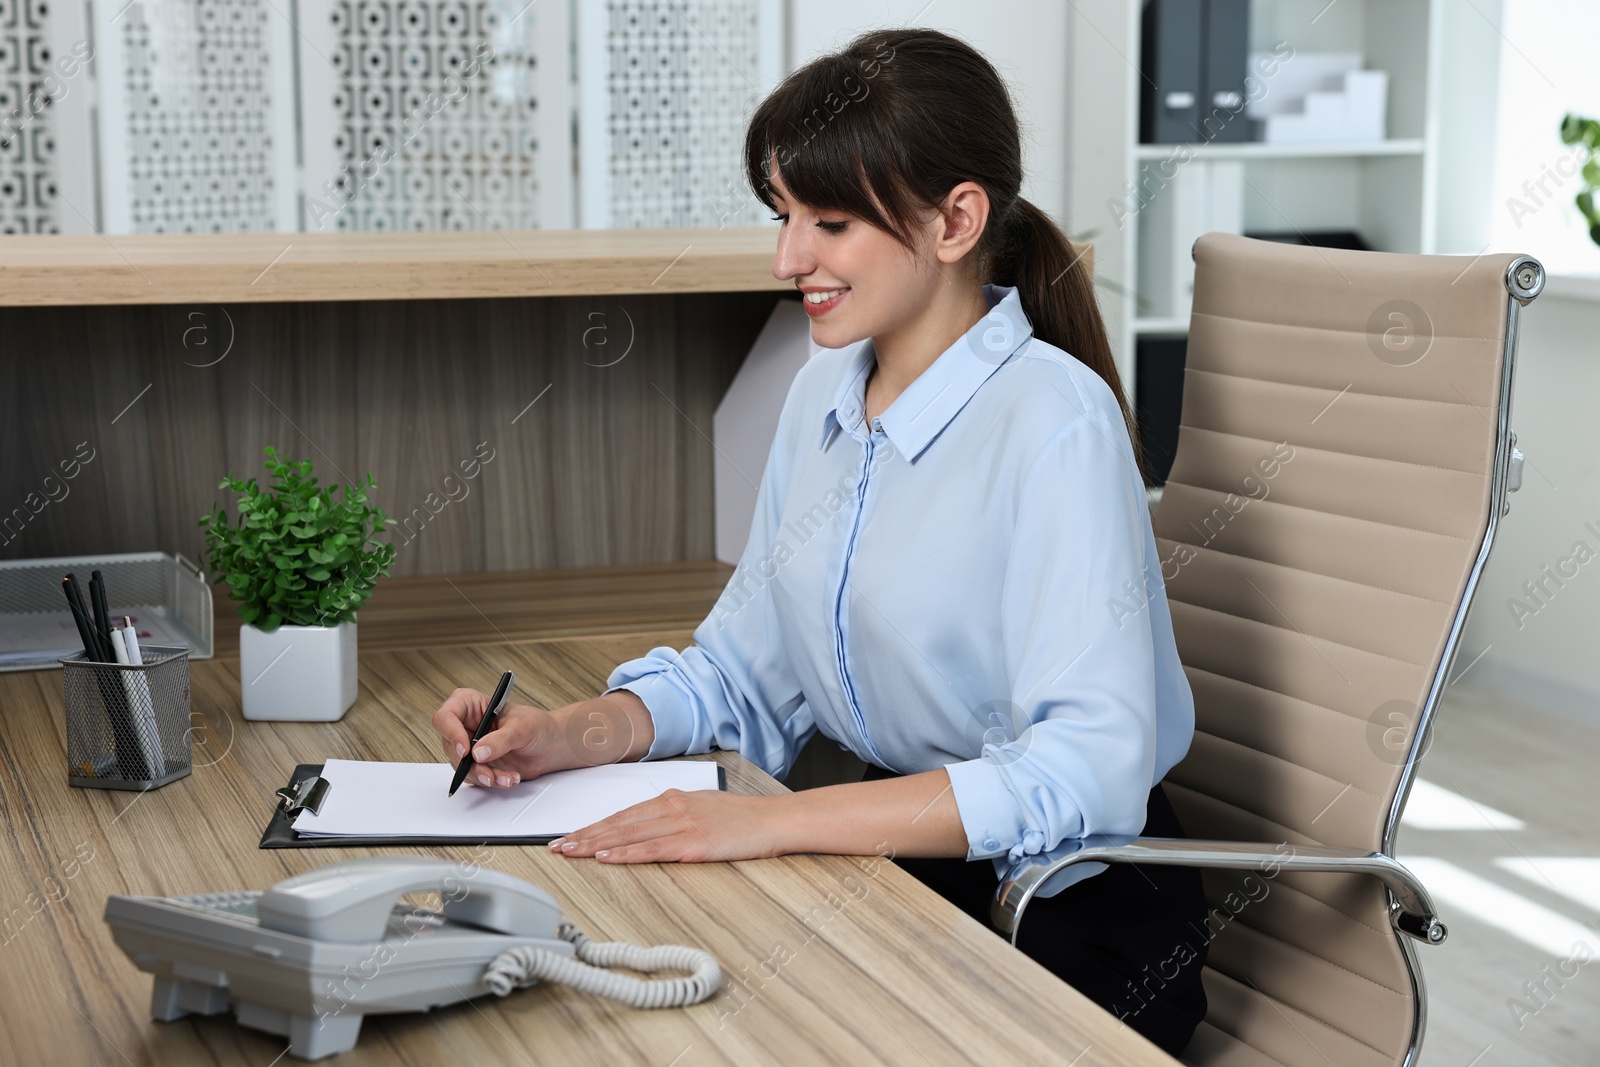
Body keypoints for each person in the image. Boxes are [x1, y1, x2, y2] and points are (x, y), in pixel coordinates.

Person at [432, 27, 1208, 1055]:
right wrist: (565, 734)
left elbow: (1081, 772)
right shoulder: (822, 395)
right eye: (784, 216)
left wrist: (773, 820)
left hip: (1066, 905)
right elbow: (742, 678)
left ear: (955, 219)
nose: (787, 258)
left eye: (829, 222)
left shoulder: (1052, 421)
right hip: (895, 860)